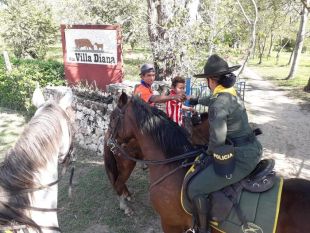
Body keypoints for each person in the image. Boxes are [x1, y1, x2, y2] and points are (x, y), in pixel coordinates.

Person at [187, 54, 262, 233]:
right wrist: (196, 100)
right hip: (252, 147)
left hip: (242, 157)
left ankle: (202, 230)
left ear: (211, 80)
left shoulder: (219, 103)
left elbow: (217, 141)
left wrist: (207, 152)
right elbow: (214, 100)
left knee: (195, 188)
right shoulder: (230, 93)